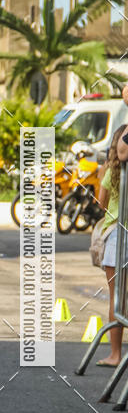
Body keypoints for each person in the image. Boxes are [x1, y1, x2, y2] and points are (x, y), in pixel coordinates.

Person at [98, 126, 125, 366]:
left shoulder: (112, 172)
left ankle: (115, 355)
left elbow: (101, 202)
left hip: (117, 234)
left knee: (117, 299)